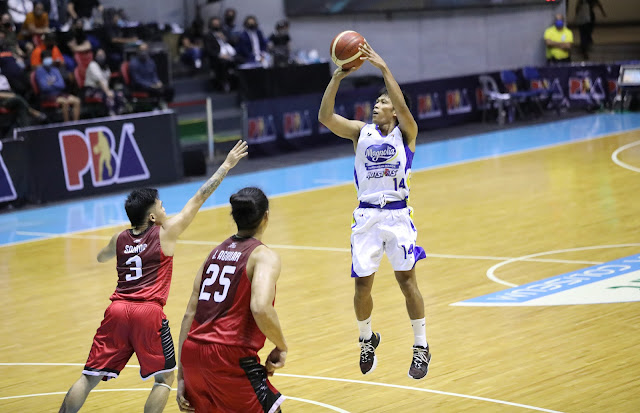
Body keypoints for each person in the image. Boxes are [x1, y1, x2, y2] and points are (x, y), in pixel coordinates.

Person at [58, 140, 249, 413]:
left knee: (89, 377)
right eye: (160, 206)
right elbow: (199, 197)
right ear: (151, 217)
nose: (164, 209)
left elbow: (102, 256)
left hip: (116, 310)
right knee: (164, 379)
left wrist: (108, 254)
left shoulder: (119, 238)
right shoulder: (165, 232)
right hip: (148, 312)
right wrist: (227, 165)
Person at [318, 42, 431, 380]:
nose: (376, 106)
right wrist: (337, 77)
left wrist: (383, 68)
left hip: (397, 215)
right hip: (367, 216)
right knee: (362, 288)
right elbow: (325, 118)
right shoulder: (360, 132)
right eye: (376, 102)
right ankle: (367, 339)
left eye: (383, 102)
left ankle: (421, 346)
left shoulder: (407, 133)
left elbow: (402, 106)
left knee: (407, 281)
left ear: (395, 111)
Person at [176, 187, 287, 413]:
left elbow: (189, 314)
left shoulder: (213, 254)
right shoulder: (263, 256)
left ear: (234, 217)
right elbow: (260, 308)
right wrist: (281, 345)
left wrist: (182, 375)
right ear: (266, 216)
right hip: (228, 356)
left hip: (192, 353)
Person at [34, 49, 80, 121]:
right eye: (46, 58)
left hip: (59, 93)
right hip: (47, 95)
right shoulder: (39, 71)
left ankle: (75, 123)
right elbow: (44, 87)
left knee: (77, 101)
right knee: (64, 102)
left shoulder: (55, 69)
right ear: (42, 60)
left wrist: (51, 83)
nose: (48, 60)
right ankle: (67, 125)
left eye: (49, 57)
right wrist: (55, 83)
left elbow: (62, 85)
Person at [129, 42, 174, 107]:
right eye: (142, 50)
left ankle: (167, 105)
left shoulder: (150, 61)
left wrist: (157, 82)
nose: (144, 52)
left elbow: (154, 74)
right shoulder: (133, 63)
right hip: (140, 86)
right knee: (156, 91)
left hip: (152, 84)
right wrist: (150, 85)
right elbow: (137, 80)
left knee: (169, 89)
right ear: (138, 51)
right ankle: (156, 107)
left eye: (145, 49)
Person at [84, 48, 125, 115]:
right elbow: (100, 80)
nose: (101, 57)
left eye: (102, 55)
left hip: (103, 89)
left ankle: (120, 115)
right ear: (95, 56)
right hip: (92, 90)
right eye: (99, 55)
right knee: (109, 97)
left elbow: (107, 80)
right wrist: (108, 92)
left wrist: (109, 91)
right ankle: (112, 116)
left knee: (119, 94)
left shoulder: (105, 66)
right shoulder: (92, 65)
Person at [203, 16, 236, 92]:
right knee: (223, 63)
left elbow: (234, 43)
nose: (216, 25)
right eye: (214, 24)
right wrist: (220, 55)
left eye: (218, 24)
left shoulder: (225, 32)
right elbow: (208, 50)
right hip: (218, 56)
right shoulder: (208, 35)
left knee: (241, 59)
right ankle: (225, 84)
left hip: (230, 53)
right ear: (211, 25)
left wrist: (225, 38)